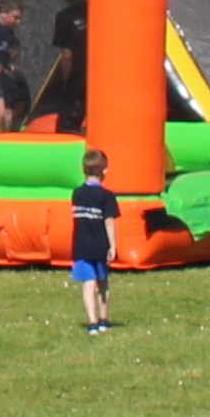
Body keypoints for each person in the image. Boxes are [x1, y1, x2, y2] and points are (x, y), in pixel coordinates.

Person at [68, 138, 119, 337]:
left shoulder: (77, 193)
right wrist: (113, 246)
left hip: (81, 245)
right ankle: (104, 319)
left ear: (83, 170)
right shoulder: (106, 196)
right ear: (104, 171)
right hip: (100, 245)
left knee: (88, 284)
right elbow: (109, 221)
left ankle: (92, 322)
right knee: (102, 282)